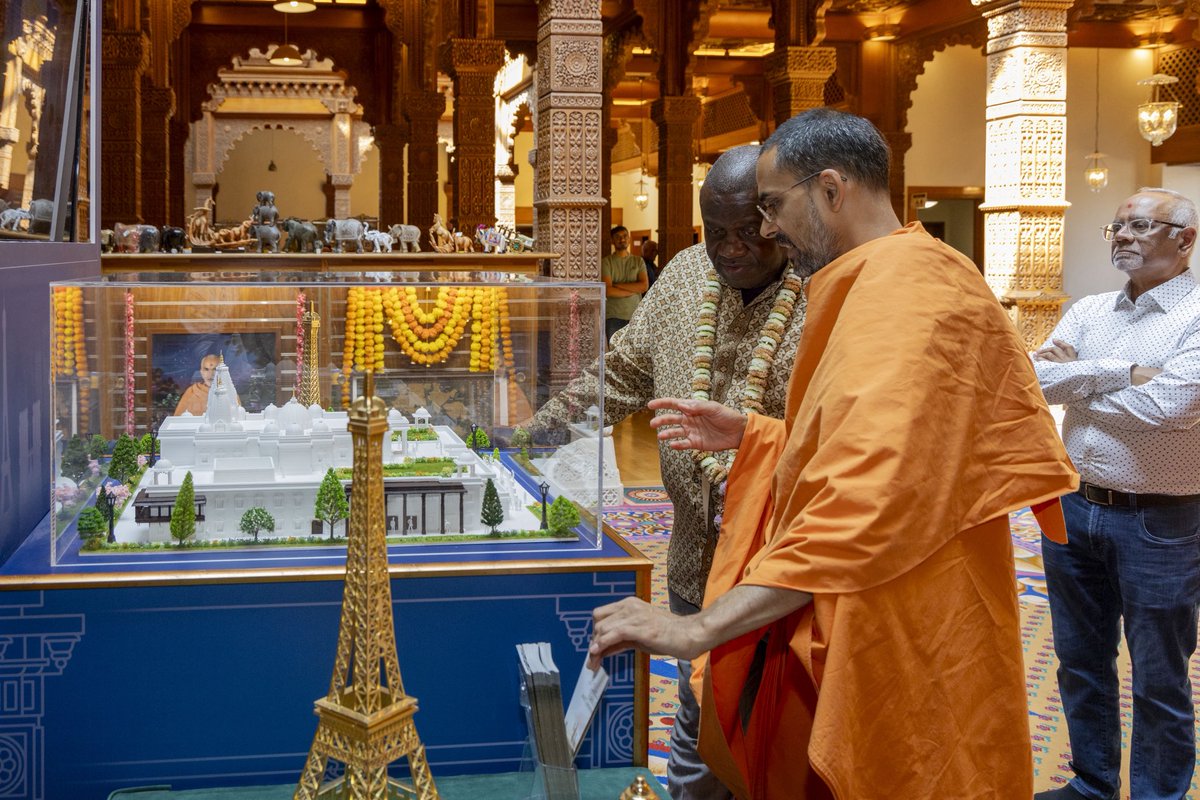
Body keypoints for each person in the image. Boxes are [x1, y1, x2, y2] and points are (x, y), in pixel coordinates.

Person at [586, 108, 1078, 799]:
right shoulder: (883, 275)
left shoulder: (912, 296)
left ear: (829, 189)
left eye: (770, 206)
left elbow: (861, 506)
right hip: (857, 602)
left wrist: (697, 629)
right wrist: (755, 435)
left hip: (902, 625)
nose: (765, 230)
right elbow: (874, 451)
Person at [528, 145, 805, 800]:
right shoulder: (683, 275)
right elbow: (621, 373)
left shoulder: (821, 291)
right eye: (717, 232)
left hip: (783, 574)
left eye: (750, 231)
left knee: (779, 729)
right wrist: (530, 436)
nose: (731, 249)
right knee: (698, 713)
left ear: (777, 217)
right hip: (692, 565)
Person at [1032, 189, 1200, 800]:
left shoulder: (1196, 315)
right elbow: (1033, 380)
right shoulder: (1090, 310)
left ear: (1184, 239)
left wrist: (1076, 382)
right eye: (1118, 226)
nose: (1123, 235)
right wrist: (1121, 373)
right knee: (1080, 661)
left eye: (1141, 225)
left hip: (1160, 521)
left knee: (1159, 678)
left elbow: (1170, 407)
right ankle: (1093, 784)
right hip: (1073, 509)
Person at [601, 225, 649, 342]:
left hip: (635, 315)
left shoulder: (638, 261)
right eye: (617, 237)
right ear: (612, 241)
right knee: (615, 349)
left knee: (636, 350)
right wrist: (633, 289)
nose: (622, 239)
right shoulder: (606, 262)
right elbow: (608, 291)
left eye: (625, 236)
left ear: (629, 238)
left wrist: (617, 285)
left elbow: (644, 286)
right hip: (613, 316)